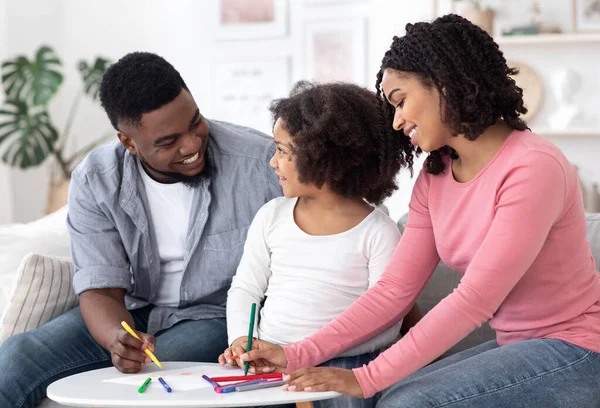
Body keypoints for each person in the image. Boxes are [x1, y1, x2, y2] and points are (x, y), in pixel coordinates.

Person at [240, 14, 600, 407]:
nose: (396, 121)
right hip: (519, 345)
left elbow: (474, 300)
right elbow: (393, 291)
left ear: (445, 82)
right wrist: (295, 354)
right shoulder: (436, 176)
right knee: (388, 395)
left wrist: (366, 377)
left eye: (401, 101)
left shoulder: (534, 168)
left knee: (405, 402)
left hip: (578, 348)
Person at [0, 52, 281, 408]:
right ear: (128, 142)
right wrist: (118, 338)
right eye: (168, 142)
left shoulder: (261, 163)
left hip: (217, 313)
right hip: (134, 311)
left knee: (168, 362)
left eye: (195, 122)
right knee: (16, 357)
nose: (193, 144)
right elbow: (100, 287)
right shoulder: (96, 180)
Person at [219, 81, 413, 408]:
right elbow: (245, 289)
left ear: (322, 159)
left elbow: (388, 324)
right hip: (269, 353)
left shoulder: (378, 231)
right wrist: (242, 339)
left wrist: (309, 352)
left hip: (347, 360)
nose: (272, 162)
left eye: (282, 151)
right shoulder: (271, 216)